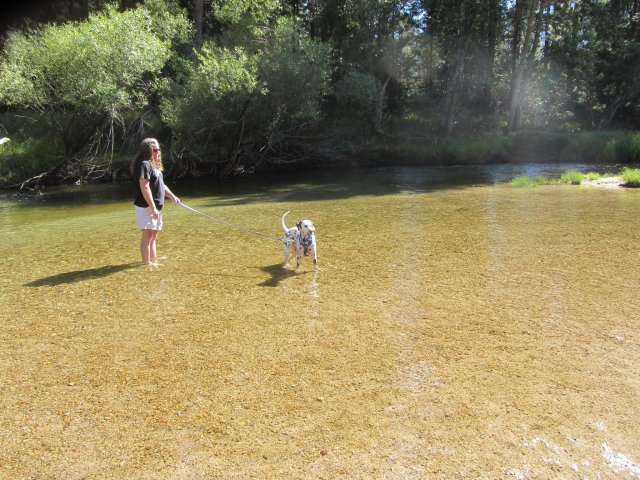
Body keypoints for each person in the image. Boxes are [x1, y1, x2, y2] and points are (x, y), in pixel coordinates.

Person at [131, 138, 180, 266]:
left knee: (153, 236)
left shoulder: (153, 164)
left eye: (159, 149)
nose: (159, 152)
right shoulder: (144, 164)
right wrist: (152, 208)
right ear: (148, 150)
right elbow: (144, 187)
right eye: (156, 149)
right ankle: (147, 264)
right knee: (147, 236)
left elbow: (161, 185)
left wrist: (172, 196)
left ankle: (153, 260)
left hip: (155, 207)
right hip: (146, 206)